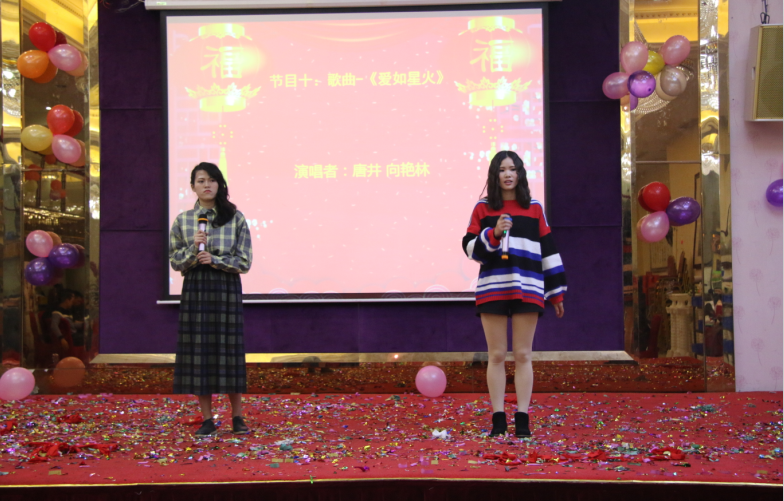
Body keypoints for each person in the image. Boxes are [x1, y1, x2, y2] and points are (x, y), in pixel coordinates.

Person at [461, 151, 567, 437]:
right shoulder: (483, 208)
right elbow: (470, 248)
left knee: (523, 354)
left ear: (520, 173)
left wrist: (556, 292)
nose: (507, 175)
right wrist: (493, 233)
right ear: (494, 175)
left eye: (512, 169)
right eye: (502, 170)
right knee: (496, 355)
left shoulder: (534, 208)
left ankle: (522, 417)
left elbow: (548, 249)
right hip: (493, 287)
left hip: (528, 287)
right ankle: (498, 418)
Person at [170, 162, 253, 437]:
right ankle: (207, 419)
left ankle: (237, 417)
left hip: (225, 286)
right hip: (196, 287)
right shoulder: (183, 220)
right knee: (200, 353)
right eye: (201, 180)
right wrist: (193, 250)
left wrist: (215, 260)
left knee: (229, 352)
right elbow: (175, 261)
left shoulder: (235, 217)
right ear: (192, 186)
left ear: (220, 184)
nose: (207, 185)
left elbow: (244, 261)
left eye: (212, 180)